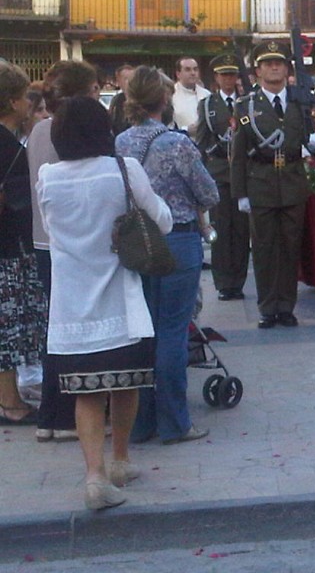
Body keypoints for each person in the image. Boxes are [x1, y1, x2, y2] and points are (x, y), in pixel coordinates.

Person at [37, 97, 171, 510]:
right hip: (121, 300)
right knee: (125, 381)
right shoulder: (122, 170)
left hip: (72, 306)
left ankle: (94, 474)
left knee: (87, 391)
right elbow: (162, 220)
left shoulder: (48, 177)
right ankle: (120, 459)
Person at [117, 66, 218, 445]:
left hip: (136, 245)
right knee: (173, 332)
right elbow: (208, 194)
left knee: (143, 332)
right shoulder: (176, 143)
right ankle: (175, 422)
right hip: (176, 240)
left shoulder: (121, 142)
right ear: (164, 99)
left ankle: (140, 423)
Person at [27, 60, 101, 443]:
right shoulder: (68, 129)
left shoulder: (38, 129)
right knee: (75, 330)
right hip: (69, 243)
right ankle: (68, 416)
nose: (96, 97)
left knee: (56, 329)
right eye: (92, 90)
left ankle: (50, 416)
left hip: (43, 241)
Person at [230, 41, 315, 329]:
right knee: (263, 249)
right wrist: (240, 193)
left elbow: (312, 138)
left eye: (279, 63)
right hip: (261, 183)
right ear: (257, 70)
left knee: (290, 247)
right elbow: (237, 153)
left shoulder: (300, 103)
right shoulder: (245, 107)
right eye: (268, 63)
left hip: (293, 182)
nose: (274, 67)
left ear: (287, 68)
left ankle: (286, 306)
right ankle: (267, 307)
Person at [0, 60, 47, 426]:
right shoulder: (8, 145)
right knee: (8, 326)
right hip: (9, 246)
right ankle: (9, 401)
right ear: (15, 102)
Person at [195, 55, 250, 301]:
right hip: (219, 174)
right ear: (216, 78)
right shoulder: (208, 105)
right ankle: (223, 283)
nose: (228, 79)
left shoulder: (247, 103)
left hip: (244, 174)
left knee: (241, 230)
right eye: (223, 75)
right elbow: (203, 141)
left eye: (232, 75)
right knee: (222, 229)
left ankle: (238, 281)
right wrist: (213, 153)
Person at [170, 57, 210, 138]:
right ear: (178, 74)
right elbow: (166, 127)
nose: (193, 73)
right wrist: (186, 130)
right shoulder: (171, 95)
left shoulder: (207, 94)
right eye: (188, 70)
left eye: (195, 69)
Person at [108, 64, 135, 136]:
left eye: (132, 79)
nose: (130, 82)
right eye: (126, 79)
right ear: (118, 82)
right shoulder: (116, 100)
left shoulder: (142, 99)